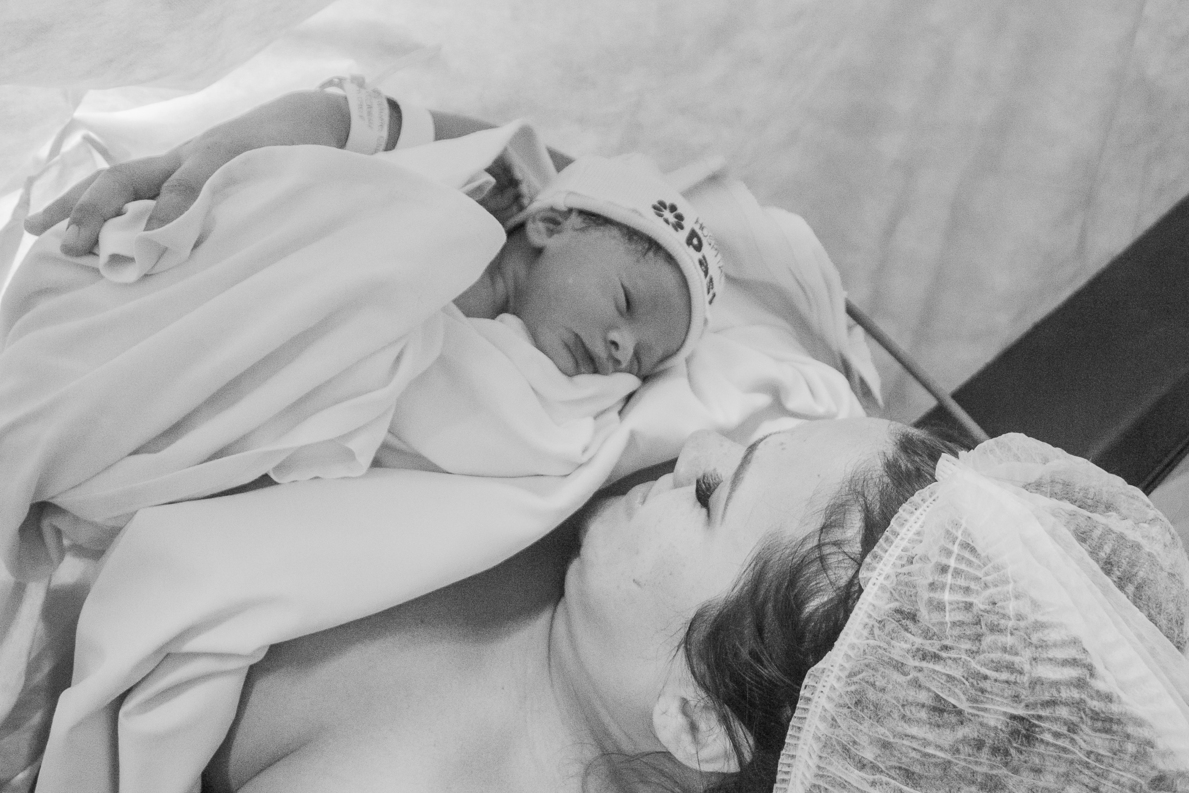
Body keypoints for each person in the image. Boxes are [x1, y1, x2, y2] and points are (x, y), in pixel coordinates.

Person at [1, 84, 729, 579]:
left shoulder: (551, 407)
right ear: (550, 224)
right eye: (624, 301)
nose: (620, 349)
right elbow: (343, 120)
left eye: (643, 359)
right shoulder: (473, 183)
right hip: (205, 304)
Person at [198, 418, 959, 793]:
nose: (698, 444)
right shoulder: (608, 573)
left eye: (708, 494)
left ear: (697, 720)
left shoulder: (407, 776)